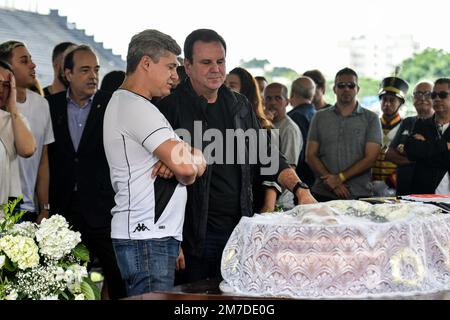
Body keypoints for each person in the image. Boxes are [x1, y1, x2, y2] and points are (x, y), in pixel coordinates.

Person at [157, 28, 316, 283]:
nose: (216, 69)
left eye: (220, 62)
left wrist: (300, 189)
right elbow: (157, 182)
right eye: (206, 62)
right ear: (187, 65)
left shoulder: (239, 105)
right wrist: (170, 239)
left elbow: (268, 156)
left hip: (239, 230)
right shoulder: (169, 107)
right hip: (191, 236)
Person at [103, 29, 206, 297]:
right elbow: (187, 169)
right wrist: (188, 164)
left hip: (150, 236)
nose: (176, 75)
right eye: (171, 66)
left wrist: (187, 159)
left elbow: (194, 163)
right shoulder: (137, 107)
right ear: (146, 63)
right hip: (146, 236)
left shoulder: (136, 105)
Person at [46, 45, 125, 299]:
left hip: (104, 210)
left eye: (96, 70)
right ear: (67, 74)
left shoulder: (111, 104)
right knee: (65, 282)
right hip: (64, 209)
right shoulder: (51, 106)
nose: (93, 76)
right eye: (84, 70)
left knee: (117, 278)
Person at [306, 67, 382, 202]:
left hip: (359, 194)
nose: (346, 89)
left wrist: (339, 178)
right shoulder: (319, 117)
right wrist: (332, 182)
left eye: (351, 85)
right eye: (341, 85)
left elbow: (371, 158)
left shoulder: (371, 118)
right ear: (334, 89)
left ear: (357, 89)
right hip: (323, 193)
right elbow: (310, 155)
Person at [0, 41, 54, 223]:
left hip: (28, 206)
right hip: (6, 203)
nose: (33, 65)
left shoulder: (42, 104)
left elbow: (39, 156)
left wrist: (44, 206)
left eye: (30, 59)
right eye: (24, 61)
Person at [385, 81, 434, 195]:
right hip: (403, 191)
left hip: (429, 194)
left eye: (427, 94)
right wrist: (420, 159)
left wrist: (406, 157)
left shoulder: (440, 124)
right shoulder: (408, 122)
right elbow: (389, 155)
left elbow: (439, 157)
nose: (422, 98)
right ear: (413, 99)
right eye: (418, 94)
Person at [404, 78, 450, 194]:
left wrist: (426, 149)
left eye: (443, 95)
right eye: (434, 95)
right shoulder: (422, 124)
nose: (437, 99)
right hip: (422, 196)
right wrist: (445, 146)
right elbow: (411, 151)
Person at [0, 60, 35, 206]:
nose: (1, 90)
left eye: (7, 85)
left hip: (6, 206)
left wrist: (13, 107)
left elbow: (27, 150)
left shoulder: (13, 119)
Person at [263, 82, 301, 210]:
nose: (272, 102)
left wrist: (271, 203)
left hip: (280, 203)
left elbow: (290, 167)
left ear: (287, 102)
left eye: (278, 98)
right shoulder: (264, 125)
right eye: (268, 98)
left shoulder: (289, 129)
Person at [372, 76, 409, 196]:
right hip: (370, 186)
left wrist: (389, 182)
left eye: (392, 100)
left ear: (400, 103)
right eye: (384, 99)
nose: (387, 104)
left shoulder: (407, 126)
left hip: (396, 186)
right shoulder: (371, 124)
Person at [288, 76, 317, 187]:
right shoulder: (317, 114)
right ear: (312, 94)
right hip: (315, 178)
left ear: (293, 92)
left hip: (299, 178)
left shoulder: (293, 118)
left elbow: (296, 154)